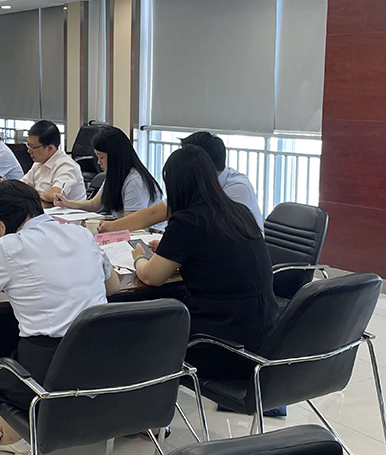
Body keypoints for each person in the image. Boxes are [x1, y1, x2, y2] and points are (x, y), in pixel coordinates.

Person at [0, 180, 121, 453]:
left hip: (51, 367)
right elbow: (112, 286)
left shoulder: (12, 246)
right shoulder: (80, 234)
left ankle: (14, 437)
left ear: (0, 225)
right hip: (106, 358)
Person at [131, 146, 278, 382]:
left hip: (219, 345)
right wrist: (172, 251)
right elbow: (215, 254)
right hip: (265, 340)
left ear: (176, 186)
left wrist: (139, 256)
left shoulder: (187, 221)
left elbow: (151, 277)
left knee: (140, 330)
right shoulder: (239, 211)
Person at [99, 131, 263, 233]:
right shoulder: (196, 183)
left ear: (200, 162)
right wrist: (112, 227)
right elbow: (154, 213)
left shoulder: (237, 188)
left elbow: (212, 230)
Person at [54, 126, 164, 230]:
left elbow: (130, 223)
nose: (98, 162)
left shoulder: (135, 181)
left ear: (115, 156)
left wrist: (105, 224)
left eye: (101, 157)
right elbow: (94, 204)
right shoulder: (114, 175)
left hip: (148, 234)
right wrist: (67, 203)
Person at [17, 120, 86, 203]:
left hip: (67, 211)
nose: (29, 151)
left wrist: (33, 195)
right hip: (46, 208)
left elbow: (56, 196)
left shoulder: (67, 166)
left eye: (32, 147)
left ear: (50, 148)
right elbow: (21, 187)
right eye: (28, 145)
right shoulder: (38, 163)